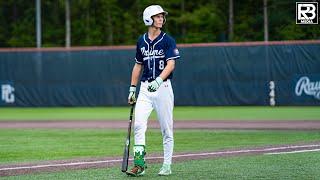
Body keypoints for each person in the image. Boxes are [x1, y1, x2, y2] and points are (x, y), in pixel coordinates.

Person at [126, 4, 180, 177]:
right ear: (149, 18)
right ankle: (139, 164)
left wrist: (159, 80)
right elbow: (137, 65)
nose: (161, 19)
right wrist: (132, 89)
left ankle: (166, 165)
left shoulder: (168, 40)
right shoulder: (141, 41)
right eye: (158, 16)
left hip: (162, 88)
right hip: (145, 89)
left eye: (162, 16)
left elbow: (171, 63)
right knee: (139, 126)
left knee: (166, 129)